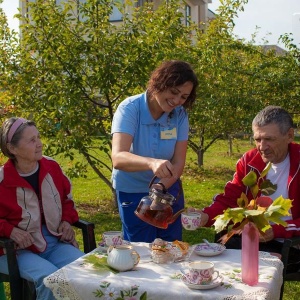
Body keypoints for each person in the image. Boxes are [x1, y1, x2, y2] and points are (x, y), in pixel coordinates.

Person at [190, 105, 300, 270]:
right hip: (250, 238)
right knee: (217, 265)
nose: (262, 146)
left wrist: (277, 231)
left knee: (263, 271)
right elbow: (230, 199)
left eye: (269, 139)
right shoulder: (249, 160)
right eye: (257, 139)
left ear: (289, 135)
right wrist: (206, 216)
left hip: (292, 244)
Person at [111, 60, 199, 243]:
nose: (176, 101)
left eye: (183, 96)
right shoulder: (130, 109)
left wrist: (160, 186)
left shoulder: (180, 115)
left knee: (171, 247)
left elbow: (178, 163)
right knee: (140, 250)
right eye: (173, 92)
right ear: (159, 83)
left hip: (167, 189)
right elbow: (118, 158)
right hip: (132, 191)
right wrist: (152, 163)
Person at [0, 117, 84, 300]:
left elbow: (67, 200)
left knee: (85, 271)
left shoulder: (51, 167)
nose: (39, 144)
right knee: (52, 280)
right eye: (31, 140)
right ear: (12, 148)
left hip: (52, 241)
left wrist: (66, 221)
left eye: (38, 137)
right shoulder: (2, 180)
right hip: (14, 250)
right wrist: (10, 230)